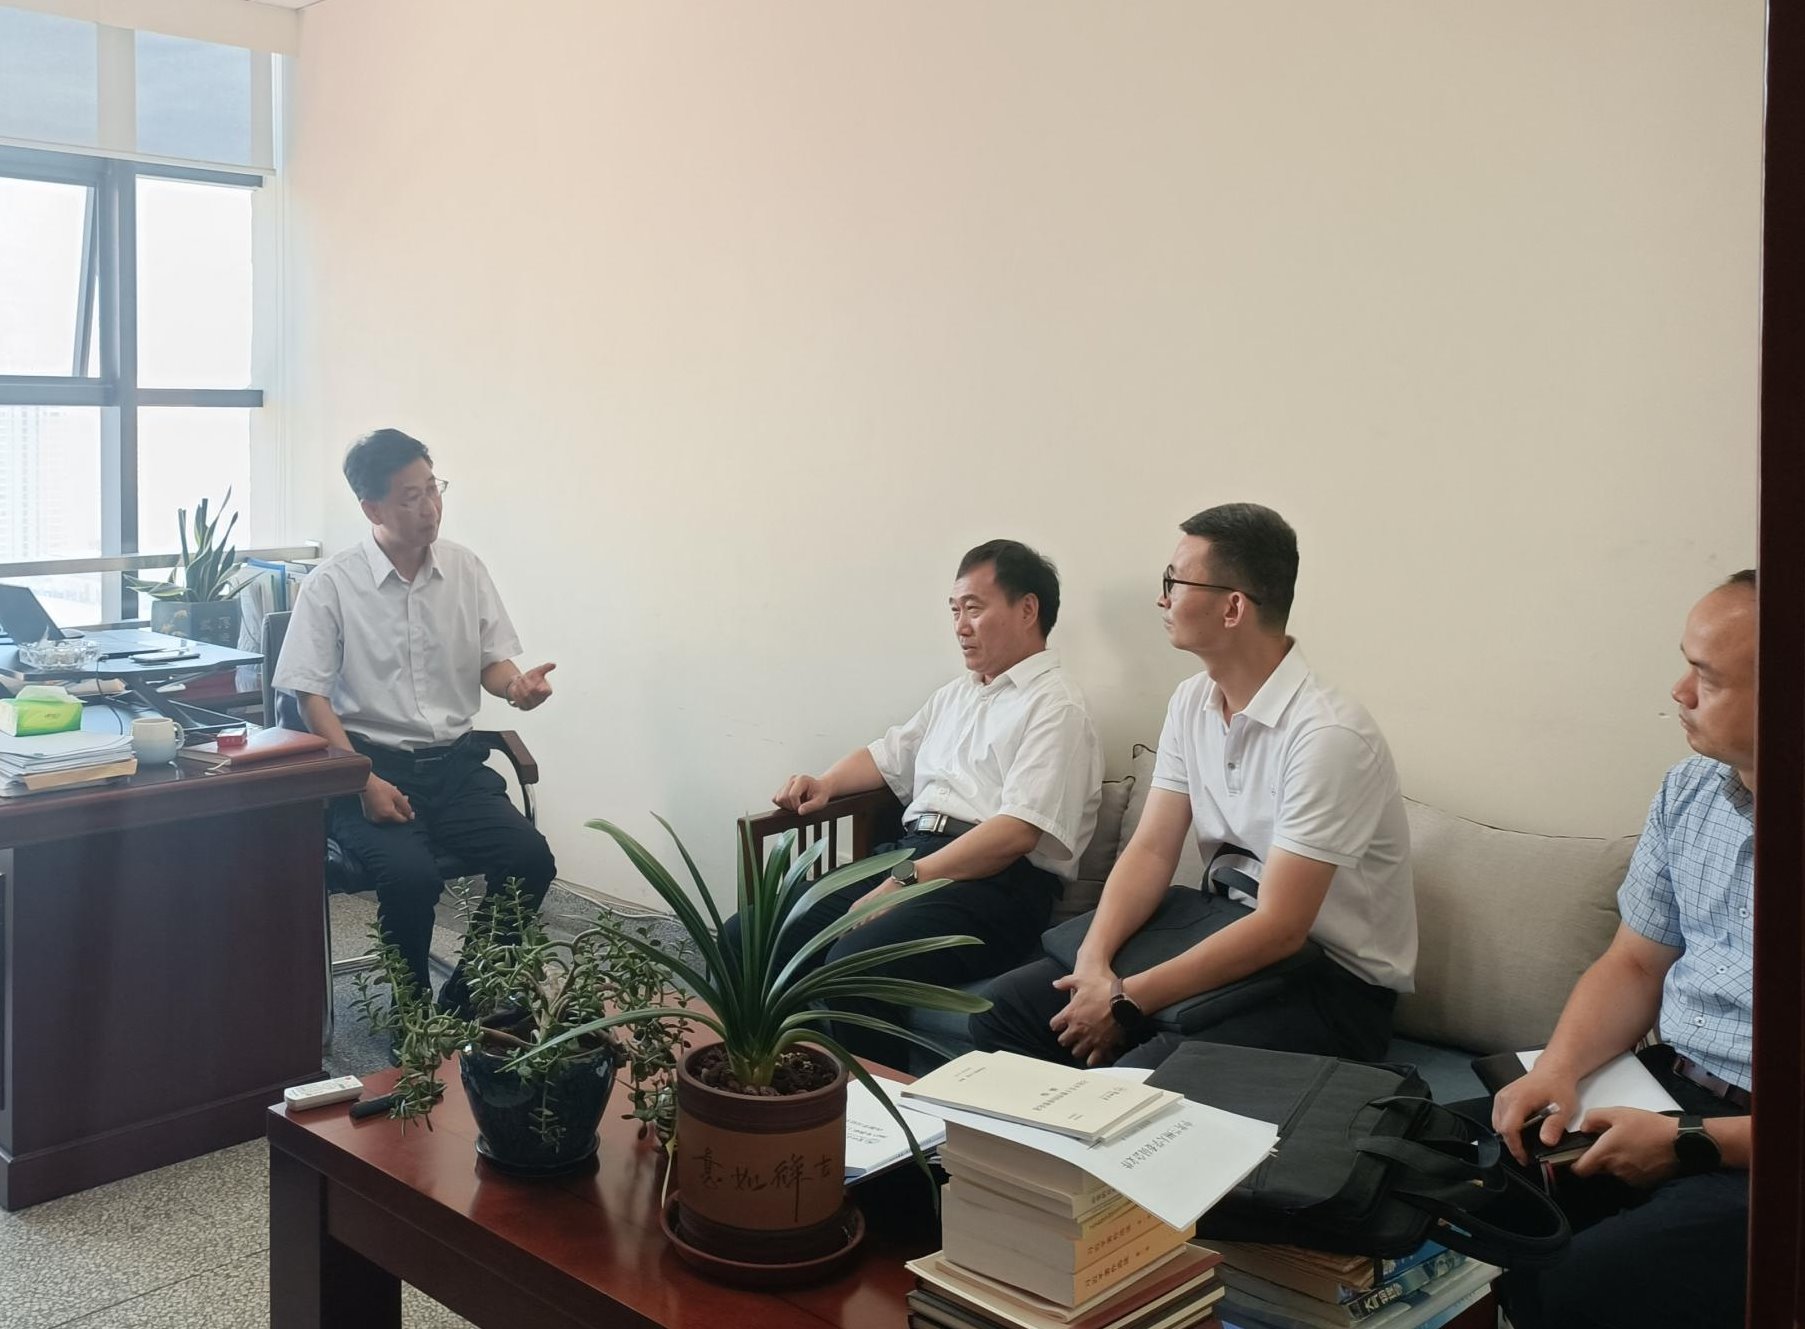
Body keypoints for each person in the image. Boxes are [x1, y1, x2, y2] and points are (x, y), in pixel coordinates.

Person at [970, 503, 1416, 1070]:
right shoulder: (1191, 702)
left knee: (1141, 1079)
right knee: (1003, 1011)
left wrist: (1125, 1001)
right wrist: (1093, 964)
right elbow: (1152, 849)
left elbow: (1281, 928)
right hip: (1222, 929)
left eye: (1174, 582)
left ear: (1233, 607)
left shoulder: (1328, 736)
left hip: (1332, 985)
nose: (1163, 600)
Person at [1488, 571, 1756, 1329]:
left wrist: (1692, 1144)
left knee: (1575, 1286)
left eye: (1706, 677)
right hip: (1665, 1085)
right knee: (1433, 1176)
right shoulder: (1688, 791)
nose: (1679, 690)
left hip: (1756, 1147)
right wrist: (1557, 1069)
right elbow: (1634, 963)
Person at [726, 539, 1104, 1067]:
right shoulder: (958, 695)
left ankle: (879, 1111)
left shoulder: (1056, 706)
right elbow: (887, 756)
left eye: (974, 608)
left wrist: (905, 881)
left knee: (858, 962)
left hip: (997, 885)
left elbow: (1017, 832)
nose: (961, 626)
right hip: (911, 856)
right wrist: (826, 782)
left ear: (1027, 609)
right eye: (955, 611)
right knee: (746, 936)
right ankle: (773, 1080)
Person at [273, 428, 558, 1014]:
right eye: (411, 496)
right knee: (411, 878)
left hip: (456, 768)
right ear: (372, 508)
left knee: (530, 860)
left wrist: (516, 687)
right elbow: (310, 699)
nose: (430, 507)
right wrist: (362, 780)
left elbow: (492, 661)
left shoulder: (465, 568)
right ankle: (411, 1014)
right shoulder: (331, 585)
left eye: (433, 488)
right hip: (372, 768)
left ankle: (464, 1000)